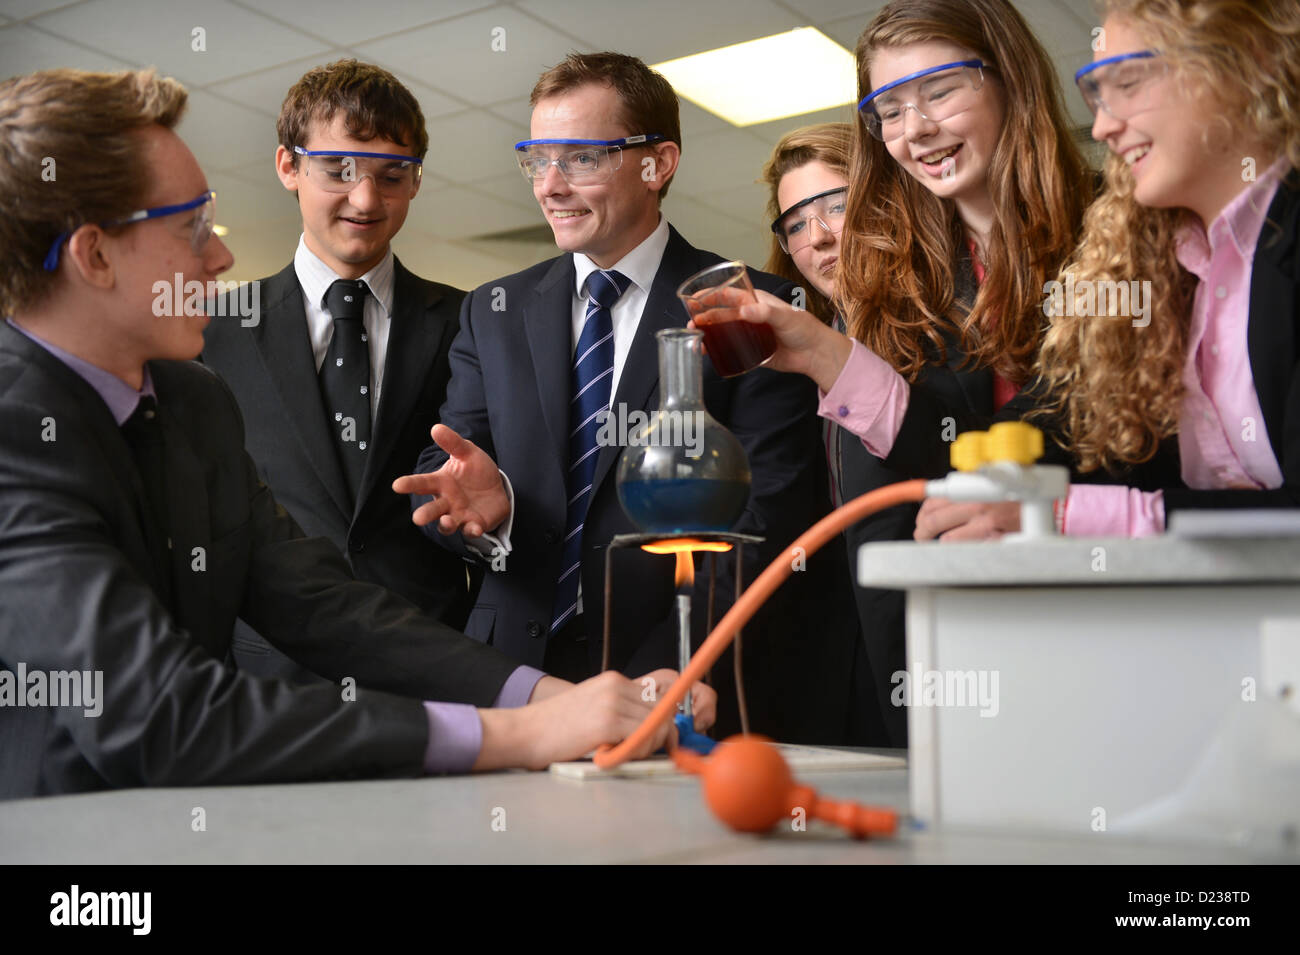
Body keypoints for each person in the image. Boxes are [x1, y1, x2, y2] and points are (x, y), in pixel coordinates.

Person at [0, 67, 712, 798]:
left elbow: (319, 601)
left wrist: (550, 697)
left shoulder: (192, 401)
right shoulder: (13, 431)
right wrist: (517, 733)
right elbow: (160, 714)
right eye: (191, 228)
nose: (219, 257)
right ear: (93, 255)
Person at [396, 52, 856, 743]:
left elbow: (771, 512)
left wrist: (674, 663)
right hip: (513, 679)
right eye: (537, 158)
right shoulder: (493, 310)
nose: (549, 185)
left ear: (657, 163)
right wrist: (492, 515)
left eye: (580, 158)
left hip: (680, 675)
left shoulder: (750, 305)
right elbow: (451, 487)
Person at [724, 0, 1095, 745]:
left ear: (1011, 80)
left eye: (940, 90)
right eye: (890, 108)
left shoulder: (1112, 236)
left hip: (1102, 626)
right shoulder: (925, 283)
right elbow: (939, 461)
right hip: (952, 650)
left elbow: (1128, 451)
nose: (915, 128)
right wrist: (828, 354)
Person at [914, 0, 1300, 541]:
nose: (1102, 126)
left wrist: (1072, 517)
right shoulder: (1155, 259)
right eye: (1098, 93)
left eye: (1130, 84)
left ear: (1245, 60)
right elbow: (1064, 411)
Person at [203, 60, 476, 683]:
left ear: (415, 182)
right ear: (288, 167)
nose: (366, 199)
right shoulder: (209, 332)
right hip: (267, 675)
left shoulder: (471, 323)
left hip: (432, 664)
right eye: (339, 171)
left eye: (391, 175)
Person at [758, 123, 888, 745]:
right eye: (796, 223)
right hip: (835, 648)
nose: (820, 237)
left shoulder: (943, 321)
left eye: (837, 205)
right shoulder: (789, 351)